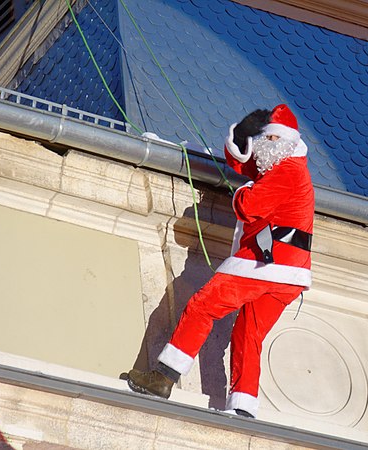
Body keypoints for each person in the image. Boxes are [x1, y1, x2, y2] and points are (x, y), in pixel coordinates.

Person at [126, 104, 315, 419]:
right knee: (248, 332)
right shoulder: (288, 164)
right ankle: (242, 404)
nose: (260, 149)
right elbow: (247, 166)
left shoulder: (286, 170)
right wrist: (241, 141)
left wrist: (243, 193)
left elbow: (250, 206)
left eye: (262, 140)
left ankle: (164, 377)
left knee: (203, 305)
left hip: (268, 262)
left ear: (277, 140)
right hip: (289, 273)